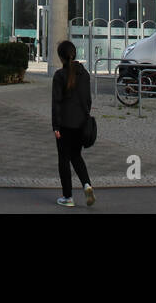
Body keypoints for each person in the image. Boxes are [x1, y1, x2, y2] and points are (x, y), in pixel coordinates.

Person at [52, 39, 95, 208]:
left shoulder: (60, 76)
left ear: (61, 57)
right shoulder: (84, 74)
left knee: (64, 159)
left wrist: (55, 126)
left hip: (64, 124)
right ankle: (87, 185)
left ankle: (68, 197)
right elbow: (88, 100)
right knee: (76, 156)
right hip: (80, 123)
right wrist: (85, 116)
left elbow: (56, 103)